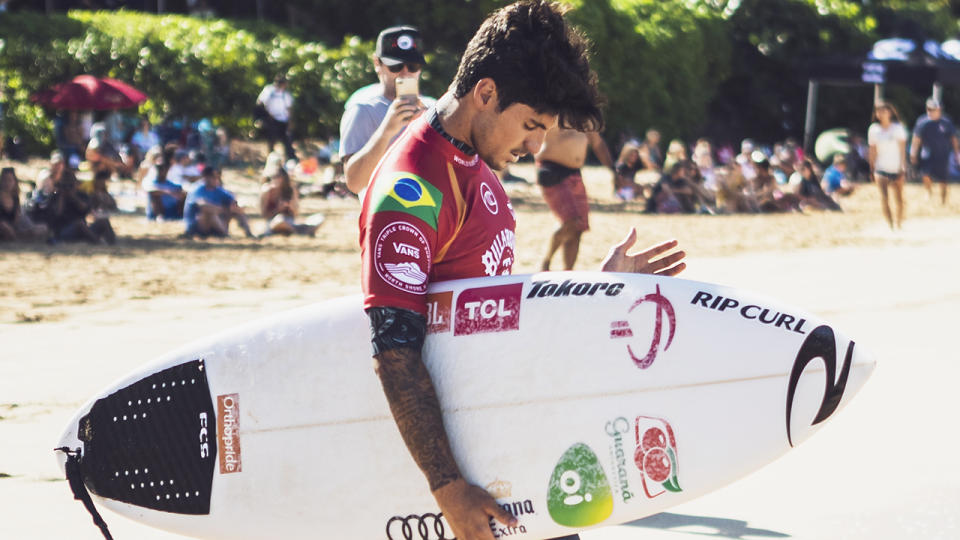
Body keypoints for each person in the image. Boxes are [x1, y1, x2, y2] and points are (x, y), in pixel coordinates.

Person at [358, 3, 685, 539]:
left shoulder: (473, 162)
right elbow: (393, 351)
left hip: (514, 457)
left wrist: (590, 291)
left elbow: (488, 308)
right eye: (531, 125)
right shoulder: (411, 187)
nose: (537, 147)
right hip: (468, 481)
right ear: (485, 94)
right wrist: (448, 489)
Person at [340, 25, 435, 194]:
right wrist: (385, 132)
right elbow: (354, 183)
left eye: (413, 66)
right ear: (377, 63)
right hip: (386, 214)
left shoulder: (433, 109)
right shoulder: (362, 111)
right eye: (395, 66)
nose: (405, 73)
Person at [535, 126, 614, 270]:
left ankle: (568, 272)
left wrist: (613, 170)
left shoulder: (586, 116)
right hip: (551, 170)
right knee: (571, 221)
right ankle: (547, 260)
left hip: (574, 174)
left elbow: (597, 143)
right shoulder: (557, 109)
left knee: (579, 226)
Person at [910, 97, 959, 205]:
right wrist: (913, 153)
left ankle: (943, 199)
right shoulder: (922, 122)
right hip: (927, 153)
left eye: (933, 109)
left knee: (944, 179)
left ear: (939, 110)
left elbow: (954, 139)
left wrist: (957, 154)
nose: (930, 111)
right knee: (925, 174)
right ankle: (928, 191)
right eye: (929, 109)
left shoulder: (947, 122)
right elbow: (916, 139)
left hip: (943, 154)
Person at [183, 167, 254, 239]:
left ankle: (249, 233)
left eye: (218, 177)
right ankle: (225, 234)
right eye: (214, 177)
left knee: (236, 210)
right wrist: (226, 209)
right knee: (209, 213)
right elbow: (204, 206)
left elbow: (234, 201)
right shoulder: (197, 190)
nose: (217, 180)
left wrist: (235, 207)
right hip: (197, 227)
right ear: (206, 177)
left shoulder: (218, 190)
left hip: (215, 223)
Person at [868, 101, 907, 228]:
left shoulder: (898, 128)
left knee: (899, 198)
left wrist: (903, 167)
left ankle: (899, 222)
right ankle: (890, 224)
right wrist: (871, 167)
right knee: (884, 198)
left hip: (896, 167)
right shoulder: (874, 130)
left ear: (890, 113)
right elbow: (872, 150)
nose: (881, 114)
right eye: (879, 111)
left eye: (884, 111)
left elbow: (902, 149)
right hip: (881, 167)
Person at [259, 167, 321, 237]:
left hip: (289, 221)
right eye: (273, 177)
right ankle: (298, 232)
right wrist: (278, 209)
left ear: (284, 178)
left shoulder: (291, 190)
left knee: (319, 218)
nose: (275, 180)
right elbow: (264, 215)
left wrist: (291, 207)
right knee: (279, 220)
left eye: (278, 177)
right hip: (273, 222)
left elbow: (296, 214)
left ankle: (295, 230)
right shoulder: (266, 190)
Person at [256, 73, 297, 161]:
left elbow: (289, 108)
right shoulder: (269, 90)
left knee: (287, 140)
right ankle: (270, 158)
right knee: (271, 140)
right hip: (271, 120)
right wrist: (266, 114)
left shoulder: (286, 94)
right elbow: (260, 102)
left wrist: (290, 122)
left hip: (283, 120)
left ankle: (290, 159)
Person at [0, 167, 47, 241]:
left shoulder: (15, 198)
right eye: (5, 180)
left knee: (42, 228)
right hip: (2, 228)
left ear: (14, 182)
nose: (7, 183)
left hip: (15, 228)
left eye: (10, 180)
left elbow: (17, 218)